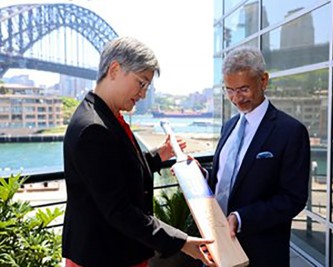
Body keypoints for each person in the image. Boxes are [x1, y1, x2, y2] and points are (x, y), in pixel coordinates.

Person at [62, 36, 215, 267]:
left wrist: (157, 156)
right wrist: (181, 242)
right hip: (105, 256)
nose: (143, 94)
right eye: (141, 82)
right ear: (114, 70)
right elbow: (119, 209)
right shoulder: (94, 128)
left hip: (113, 251)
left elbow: (114, 170)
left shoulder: (104, 116)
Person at [208, 46, 311, 266]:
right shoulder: (228, 127)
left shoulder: (291, 131)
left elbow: (293, 198)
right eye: (229, 90)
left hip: (261, 254)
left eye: (243, 89)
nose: (236, 99)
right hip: (218, 248)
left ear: (263, 81)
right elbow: (224, 181)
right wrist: (200, 175)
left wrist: (241, 218)